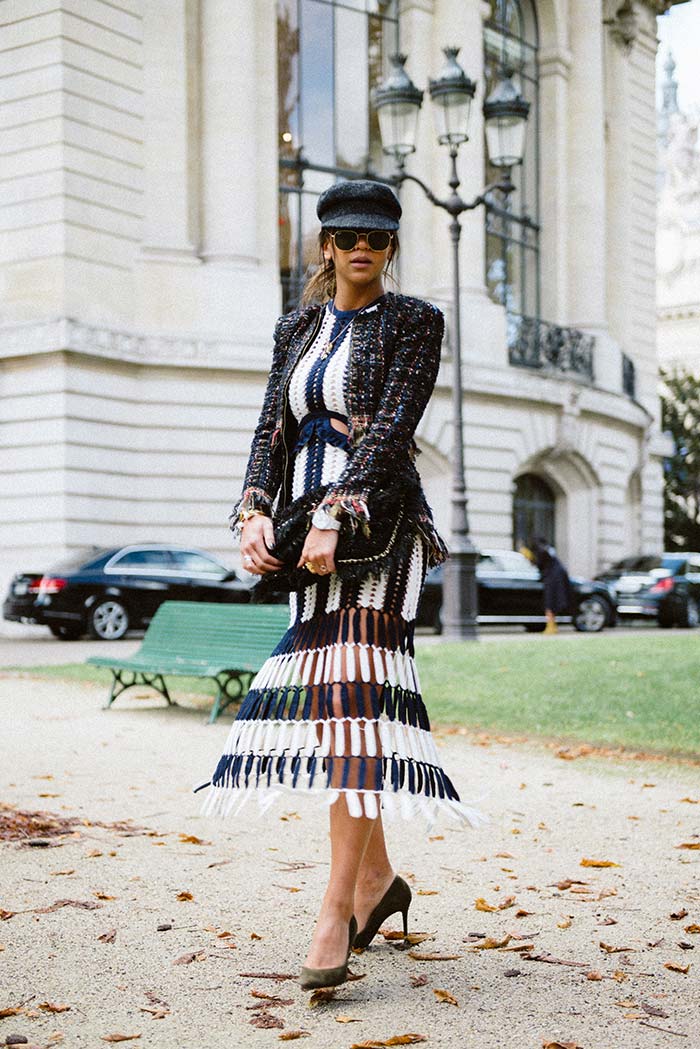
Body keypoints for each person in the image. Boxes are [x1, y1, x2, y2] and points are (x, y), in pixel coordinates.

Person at [196, 180, 484, 992]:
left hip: (380, 532)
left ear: (391, 248)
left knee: (356, 706)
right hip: (301, 536)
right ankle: (377, 880)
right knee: (335, 717)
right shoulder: (296, 325)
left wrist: (337, 511)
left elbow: (393, 431)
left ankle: (335, 913)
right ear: (326, 244)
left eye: (379, 237)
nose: (364, 246)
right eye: (349, 234)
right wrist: (253, 510)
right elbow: (270, 429)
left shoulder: (415, 322)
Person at [524, 537, 572, 634]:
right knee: (552, 602)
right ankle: (551, 626)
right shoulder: (548, 549)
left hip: (553, 578)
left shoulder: (542, 550)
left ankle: (551, 626)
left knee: (550, 602)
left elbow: (539, 563)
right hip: (556, 577)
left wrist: (530, 558)